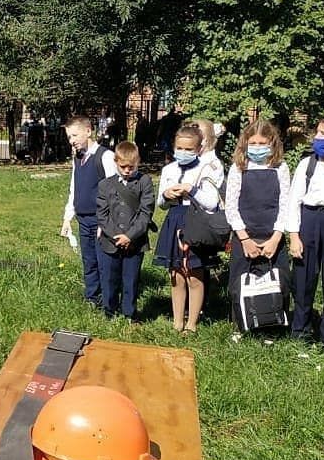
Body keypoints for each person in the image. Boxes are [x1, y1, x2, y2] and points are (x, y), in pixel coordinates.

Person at [152, 123, 224, 333]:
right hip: (174, 219)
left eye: (188, 150)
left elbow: (211, 202)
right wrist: (167, 195)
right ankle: (177, 322)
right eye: (179, 149)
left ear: (199, 149)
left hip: (195, 221)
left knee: (194, 274)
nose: (183, 153)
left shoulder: (207, 168)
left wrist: (191, 190)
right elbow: (161, 204)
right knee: (176, 275)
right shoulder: (168, 169)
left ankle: (191, 324)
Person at [224, 119, 290, 336]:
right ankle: (240, 325)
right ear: (245, 143)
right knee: (239, 281)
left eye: (263, 143)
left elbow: (285, 204)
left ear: (272, 143)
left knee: (278, 281)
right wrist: (244, 238)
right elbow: (231, 207)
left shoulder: (280, 168)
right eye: (253, 143)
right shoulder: (238, 168)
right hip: (245, 234)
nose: (258, 148)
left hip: (273, 235)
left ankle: (272, 326)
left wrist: (276, 237)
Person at [289, 117, 324, 348]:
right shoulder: (307, 164)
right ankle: (301, 331)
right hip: (309, 220)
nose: (316, 138)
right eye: (317, 132)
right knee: (303, 279)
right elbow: (293, 201)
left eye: (323, 134)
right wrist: (294, 236)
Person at [60, 116, 117, 307]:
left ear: (88, 131)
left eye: (75, 135)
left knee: (104, 261)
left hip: (101, 219)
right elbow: (74, 188)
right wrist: (68, 217)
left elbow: (114, 191)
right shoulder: (78, 158)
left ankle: (109, 301)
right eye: (69, 137)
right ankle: (92, 297)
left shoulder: (105, 157)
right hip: (83, 219)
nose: (72, 140)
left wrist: (106, 221)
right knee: (89, 260)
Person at [96, 141, 154, 322]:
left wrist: (130, 236)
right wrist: (116, 235)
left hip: (135, 242)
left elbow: (146, 212)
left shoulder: (144, 182)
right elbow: (102, 214)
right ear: (116, 162)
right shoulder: (105, 185)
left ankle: (129, 313)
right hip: (110, 241)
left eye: (132, 166)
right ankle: (109, 312)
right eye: (123, 166)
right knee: (109, 279)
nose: (127, 170)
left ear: (138, 162)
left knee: (131, 280)